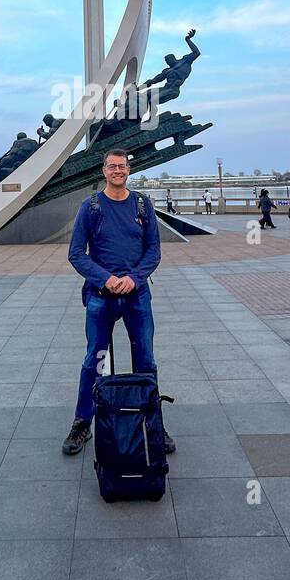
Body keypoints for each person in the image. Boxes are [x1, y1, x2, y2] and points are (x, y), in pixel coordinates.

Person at [62, 148, 174, 458]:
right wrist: (106, 279)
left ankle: (152, 422)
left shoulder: (142, 204)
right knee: (96, 361)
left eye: (122, 166)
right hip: (102, 297)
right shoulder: (91, 207)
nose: (117, 171)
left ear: (128, 170)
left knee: (146, 360)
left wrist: (134, 279)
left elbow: (153, 250)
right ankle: (83, 422)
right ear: (104, 171)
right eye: (112, 166)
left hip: (136, 296)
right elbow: (76, 253)